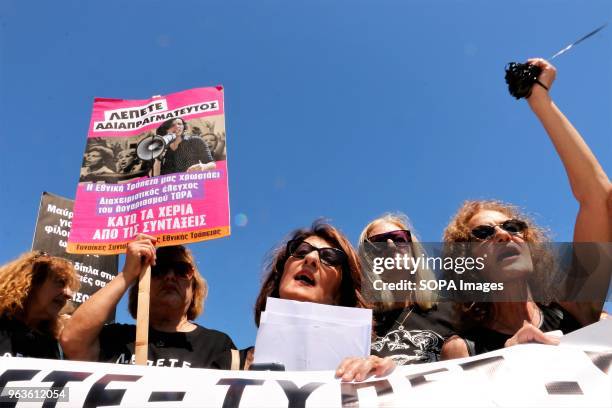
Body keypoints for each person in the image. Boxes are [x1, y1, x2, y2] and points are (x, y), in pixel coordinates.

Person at [441, 58, 611, 358]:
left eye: (512, 226)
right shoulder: (462, 348)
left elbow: (599, 198)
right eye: (483, 233)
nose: (503, 235)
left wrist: (539, 100)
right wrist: (505, 363)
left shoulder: (572, 307)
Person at [239, 220, 394, 381]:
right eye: (301, 250)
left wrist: (377, 378)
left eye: (329, 257)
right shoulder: (225, 361)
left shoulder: (361, 375)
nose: (310, 257)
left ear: (341, 294)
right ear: (281, 273)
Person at [60, 235, 236, 368]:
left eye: (181, 270)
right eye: (158, 269)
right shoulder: (116, 338)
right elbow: (72, 340)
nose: (169, 276)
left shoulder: (217, 345)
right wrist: (127, 274)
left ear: (194, 286)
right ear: (140, 287)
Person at [359, 214, 457, 365]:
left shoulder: (452, 310)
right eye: (379, 244)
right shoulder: (361, 323)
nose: (391, 246)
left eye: (399, 239)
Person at [0, 251, 79, 359]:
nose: (69, 294)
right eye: (60, 282)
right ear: (32, 282)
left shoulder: (53, 347)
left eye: (70, 287)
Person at [152, 117, 216, 176]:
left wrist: (203, 167)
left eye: (179, 124)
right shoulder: (161, 147)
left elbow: (212, 165)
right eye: (172, 125)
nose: (177, 126)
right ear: (165, 129)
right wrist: (158, 160)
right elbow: (156, 178)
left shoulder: (196, 141)